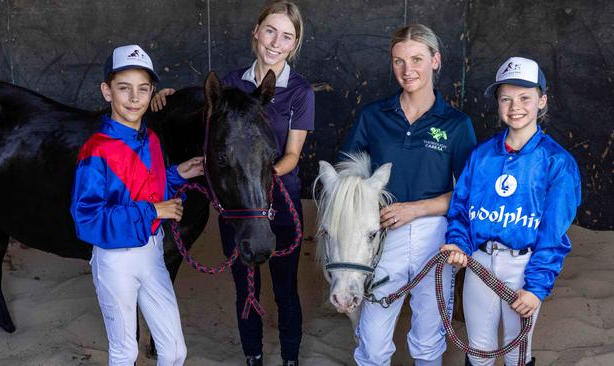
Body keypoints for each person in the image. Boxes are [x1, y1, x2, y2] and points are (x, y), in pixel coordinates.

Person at [151, 2, 314, 365]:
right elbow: (203, 113)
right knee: (245, 288)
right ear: (256, 31)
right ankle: (253, 357)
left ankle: (290, 359)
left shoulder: (300, 92)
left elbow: (291, 156)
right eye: (270, 30)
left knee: (286, 290)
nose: (275, 42)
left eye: (286, 36)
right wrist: (165, 96)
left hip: (279, 200)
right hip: (237, 206)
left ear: (294, 43)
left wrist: (256, 176)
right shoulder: (229, 83)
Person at [340, 24, 476, 365]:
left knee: (429, 340)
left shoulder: (457, 124)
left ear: (435, 60)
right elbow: (346, 180)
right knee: (371, 342)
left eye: (416, 59)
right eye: (399, 61)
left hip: (435, 235)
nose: (407, 70)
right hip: (383, 236)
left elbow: (469, 194)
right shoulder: (373, 116)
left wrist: (416, 209)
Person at [441, 56, 581, 366]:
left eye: (524, 98)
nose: (515, 106)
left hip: (524, 265)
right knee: (479, 349)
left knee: (517, 351)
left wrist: (536, 287)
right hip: (480, 262)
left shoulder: (557, 162)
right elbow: (461, 208)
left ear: (541, 101)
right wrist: (459, 243)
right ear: (498, 103)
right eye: (506, 98)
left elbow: (553, 234)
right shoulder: (481, 155)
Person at [70, 44, 204, 366]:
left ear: (151, 92)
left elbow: (148, 187)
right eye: (124, 88)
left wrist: (177, 174)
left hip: (151, 252)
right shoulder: (96, 149)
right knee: (125, 351)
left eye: (143, 89)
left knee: (174, 351)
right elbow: (86, 218)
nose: (134, 98)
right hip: (115, 260)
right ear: (107, 92)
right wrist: (154, 211)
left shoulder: (153, 141)